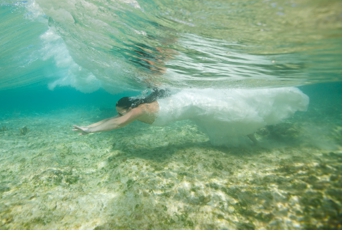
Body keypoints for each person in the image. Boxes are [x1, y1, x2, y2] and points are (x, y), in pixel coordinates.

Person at [73, 87, 309, 145]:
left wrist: (91, 131)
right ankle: (249, 132)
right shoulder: (138, 106)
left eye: (118, 109)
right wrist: (88, 126)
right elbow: (113, 119)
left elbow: (118, 123)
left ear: (126, 107)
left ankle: (252, 128)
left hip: (192, 104)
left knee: (233, 114)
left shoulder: (139, 110)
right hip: (185, 107)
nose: (117, 112)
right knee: (223, 119)